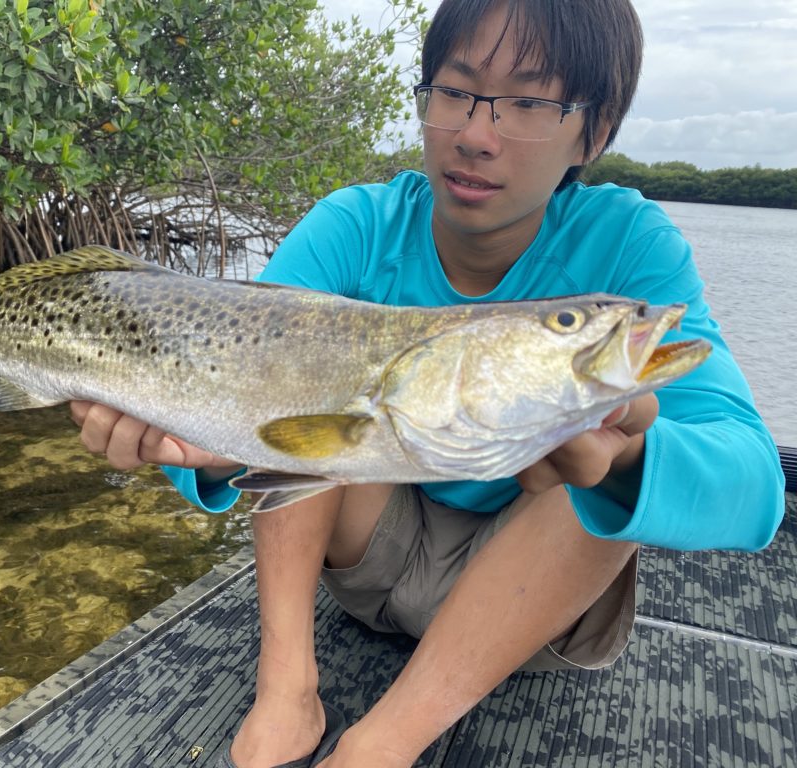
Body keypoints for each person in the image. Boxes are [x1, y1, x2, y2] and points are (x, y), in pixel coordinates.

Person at [71, 0, 786, 765]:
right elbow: (238, 400)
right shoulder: (354, 224)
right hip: (371, 565)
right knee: (306, 386)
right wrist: (191, 451)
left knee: (610, 447)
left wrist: (628, 464)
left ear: (596, 131)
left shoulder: (631, 246)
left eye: (529, 103)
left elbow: (754, 490)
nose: (477, 136)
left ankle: (383, 743)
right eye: (456, 91)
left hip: (526, 620)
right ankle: (287, 688)